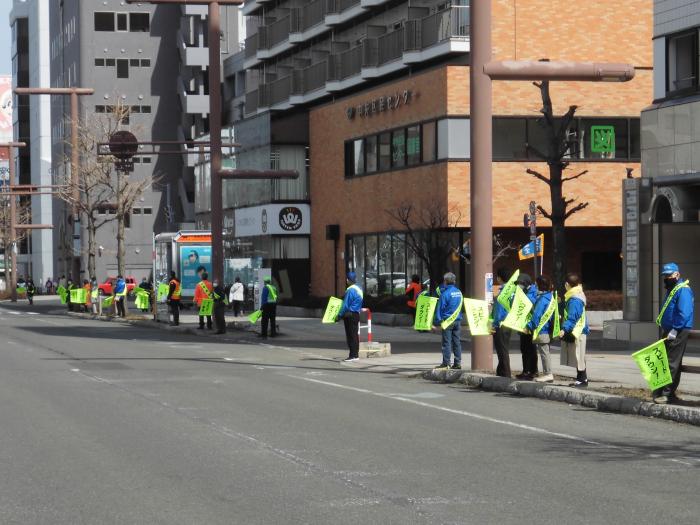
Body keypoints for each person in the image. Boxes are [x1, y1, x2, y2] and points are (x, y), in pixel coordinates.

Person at [653, 263, 695, 404]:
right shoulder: (673, 289)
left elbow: (684, 312)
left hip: (678, 330)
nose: (666, 278)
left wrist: (675, 329)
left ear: (677, 274)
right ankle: (660, 391)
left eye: (669, 275)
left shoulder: (683, 290)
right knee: (664, 361)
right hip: (670, 330)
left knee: (671, 362)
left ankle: (666, 394)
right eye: (665, 276)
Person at [559, 273, 590, 387]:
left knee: (579, 355)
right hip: (578, 330)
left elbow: (573, 316)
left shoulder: (575, 299)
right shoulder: (577, 295)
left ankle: (582, 380)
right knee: (579, 356)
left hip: (578, 330)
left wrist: (564, 329)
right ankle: (582, 379)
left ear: (567, 284)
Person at [527, 275, 556, 383]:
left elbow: (536, 316)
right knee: (545, 352)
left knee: (544, 353)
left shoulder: (542, 299)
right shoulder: (550, 297)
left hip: (542, 329)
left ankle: (548, 374)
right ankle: (547, 373)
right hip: (548, 329)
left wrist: (528, 327)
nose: (535, 285)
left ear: (539, 285)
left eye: (536, 283)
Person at [433, 272, 463, 370]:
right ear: (454, 281)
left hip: (448, 321)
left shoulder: (445, 294)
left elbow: (440, 309)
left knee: (446, 343)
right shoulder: (459, 292)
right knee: (457, 342)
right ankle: (457, 363)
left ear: (445, 281)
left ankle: (446, 363)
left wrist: (437, 321)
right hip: (457, 321)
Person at [515, 273, 539, 380]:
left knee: (531, 349)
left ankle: (533, 371)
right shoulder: (523, 292)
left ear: (526, 283)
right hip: (523, 325)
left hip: (530, 325)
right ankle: (526, 370)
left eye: (520, 283)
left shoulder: (533, 292)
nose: (519, 286)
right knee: (524, 348)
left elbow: (528, 304)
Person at [492, 267, 514, 378]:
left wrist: (494, 324)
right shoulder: (512, 290)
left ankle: (505, 373)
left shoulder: (503, 293)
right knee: (504, 348)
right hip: (509, 323)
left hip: (501, 324)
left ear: (500, 278)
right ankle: (501, 371)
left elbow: (500, 312)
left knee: (502, 350)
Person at [337, 272, 363, 363]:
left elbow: (345, 305)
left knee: (350, 336)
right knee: (355, 335)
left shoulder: (350, 290)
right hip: (356, 314)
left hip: (349, 315)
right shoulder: (359, 288)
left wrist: (339, 315)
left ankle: (352, 355)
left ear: (348, 280)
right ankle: (355, 355)